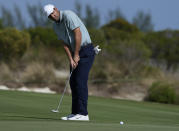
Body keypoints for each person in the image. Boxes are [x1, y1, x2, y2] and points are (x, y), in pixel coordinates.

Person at [44, 4, 96, 121]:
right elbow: (64, 44)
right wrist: (71, 59)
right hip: (75, 52)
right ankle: (75, 112)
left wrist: (76, 54)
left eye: (53, 13)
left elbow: (78, 34)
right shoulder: (55, 26)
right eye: (49, 16)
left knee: (80, 81)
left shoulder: (69, 15)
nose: (52, 16)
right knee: (73, 82)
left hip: (86, 50)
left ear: (56, 9)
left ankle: (83, 114)